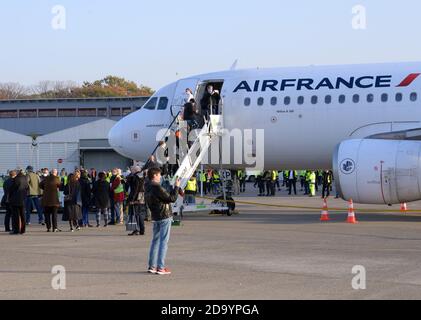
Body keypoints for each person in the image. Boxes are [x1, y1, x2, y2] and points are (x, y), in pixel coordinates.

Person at [145, 167, 180, 275]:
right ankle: (160, 267)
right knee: (163, 242)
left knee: (155, 241)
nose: (160, 177)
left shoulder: (147, 186)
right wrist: (176, 187)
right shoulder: (156, 187)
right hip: (164, 216)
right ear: (154, 175)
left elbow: (163, 197)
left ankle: (152, 266)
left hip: (155, 216)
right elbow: (172, 198)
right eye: (159, 175)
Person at [127, 166, 146, 236]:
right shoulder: (142, 176)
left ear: (135, 170)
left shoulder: (135, 177)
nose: (131, 171)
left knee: (135, 213)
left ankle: (136, 229)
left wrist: (132, 199)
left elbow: (135, 189)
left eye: (131, 170)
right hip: (142, 195)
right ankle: (142, 229)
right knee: (140, 213)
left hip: (136, 196)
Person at [9, 170, 29, 235]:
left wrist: (10, 198)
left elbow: (12, 189)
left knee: (16, 216)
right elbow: (27, 188)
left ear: (17, 173)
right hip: (23, 199)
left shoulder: (16, 179)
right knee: (23, 215)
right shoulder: (25, 179)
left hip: (15, 200)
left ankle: (16, 230)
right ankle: (23, 230)